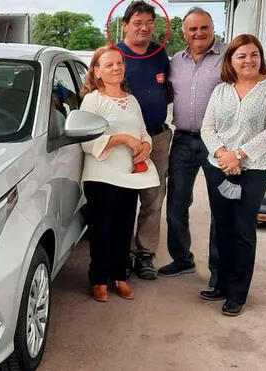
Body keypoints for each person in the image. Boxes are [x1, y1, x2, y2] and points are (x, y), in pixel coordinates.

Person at [199, 34, 266, 316]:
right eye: (241, 56)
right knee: (221, 226)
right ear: (231, 61)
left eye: (253, 54)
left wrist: (239, 155)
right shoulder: (221, 90)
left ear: (261, 57)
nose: (248, 60)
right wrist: (224, 155)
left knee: (243, 231)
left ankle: (237, 293)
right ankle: (219, 283)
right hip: (219, 168)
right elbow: (207, 128)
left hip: (253, 171)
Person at [79, 45, 160, 302]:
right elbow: (85, 141)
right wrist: (121, 138)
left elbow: (143, 132)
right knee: (102, 230)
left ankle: (120, 277)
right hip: (101, 175)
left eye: (119, 64)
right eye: (109, 65)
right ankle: (99, 279)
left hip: (129, 175)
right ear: (97, 71)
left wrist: (146, 145)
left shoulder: (132, 99)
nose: (116, 68)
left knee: (124, 228)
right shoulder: (93, 100)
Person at [159, 7, 227, 291]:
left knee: (220, 206)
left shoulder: (229, 57)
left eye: (204, 28)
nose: (198, 33)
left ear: (213, 28)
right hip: (184, 140)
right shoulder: (175, 62)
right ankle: (182, 258)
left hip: (220, 142)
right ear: (184, 32)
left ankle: (218, 270)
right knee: (176, 202)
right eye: (192, 29)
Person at [116, 0, 171, 280]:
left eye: (149, 23)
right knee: (124, 199)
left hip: (158, 137)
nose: (144, 28)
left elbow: (169, 91)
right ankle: (121, 254)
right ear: (125, 25)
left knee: (153, 198)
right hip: (125, 142)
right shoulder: (114, 55)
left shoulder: (161, 55)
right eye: (138, 22)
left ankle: (145, 255)